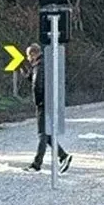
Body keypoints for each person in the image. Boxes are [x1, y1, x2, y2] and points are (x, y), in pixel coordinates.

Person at [22, 43, 72, 173]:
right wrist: (25, 72)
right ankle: (63, 156)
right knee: (47, 134)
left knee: (42, 134)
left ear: (33, 54)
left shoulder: (39, 66)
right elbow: (35, 79)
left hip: (44, 104)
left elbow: (37, 85)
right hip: (52, 102)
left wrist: (38, 102)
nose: (28, 59)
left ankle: (36, 164)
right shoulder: (46, 64)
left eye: (28, 56)